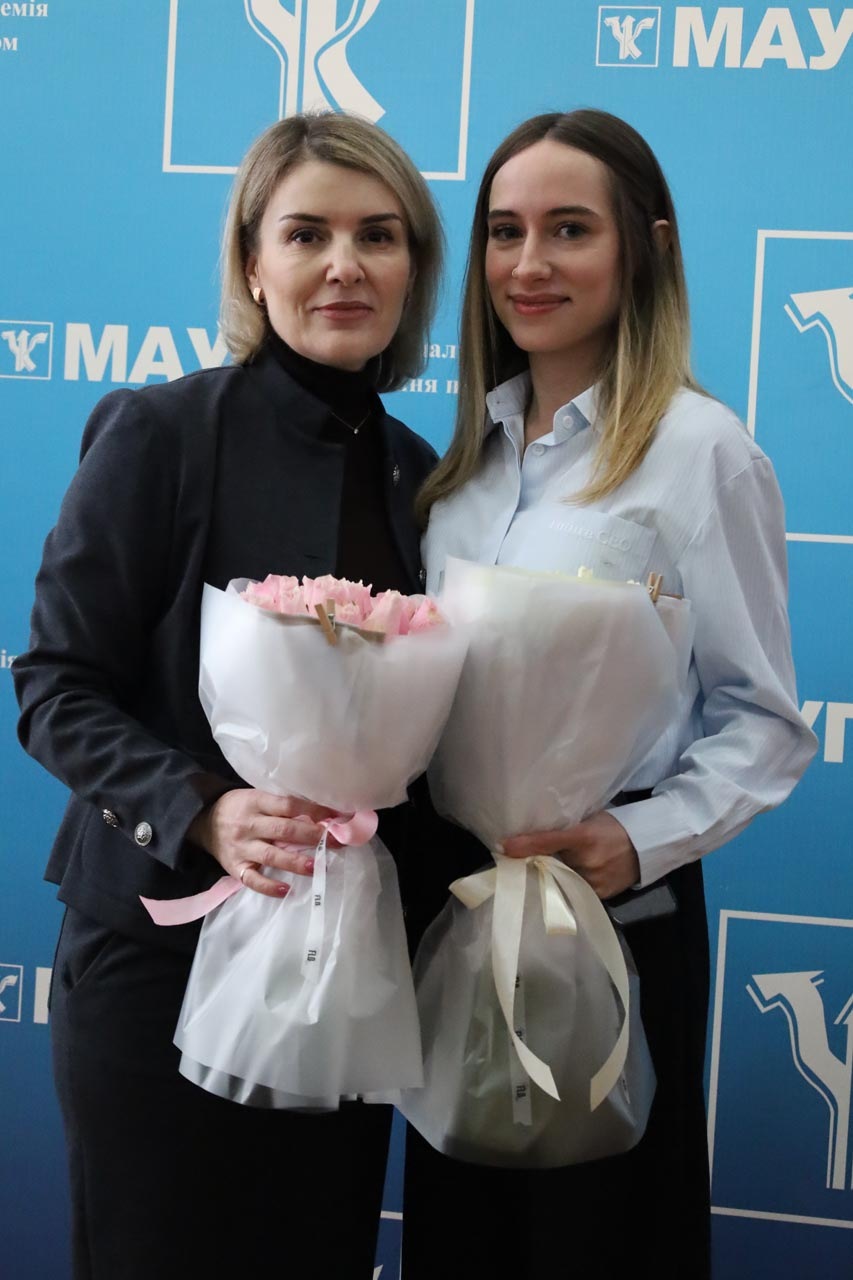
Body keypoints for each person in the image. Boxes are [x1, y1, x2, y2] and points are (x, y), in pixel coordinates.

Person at [14, 111, 443, 1280]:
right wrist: (202, 806)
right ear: (254, 263)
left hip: (345, 966)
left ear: (414, 269)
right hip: (158, 958)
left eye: (378, 236)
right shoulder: (161, 432)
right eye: (306, 234)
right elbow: (54, 684)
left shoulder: (426, 479)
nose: (344, 264)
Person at [405, 109, 817, 1280]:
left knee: (603, 1243)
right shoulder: (460, 468)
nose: (527, 264)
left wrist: (634, 844)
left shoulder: (700, 452)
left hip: (610, 918)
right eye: (504, 231)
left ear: (647, 245)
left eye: (568, 229)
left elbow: (763, 723)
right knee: (462, 1237)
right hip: (459, 909)